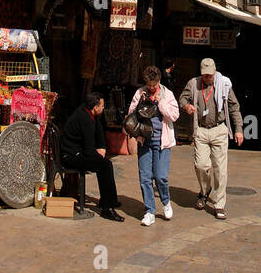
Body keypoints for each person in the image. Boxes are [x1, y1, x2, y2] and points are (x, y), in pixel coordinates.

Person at [179, 57, 244, 220]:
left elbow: (234, 107)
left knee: (220, 170)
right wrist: (186, 106)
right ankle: (205, 189)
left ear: (215, 72)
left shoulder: (224, 84)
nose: (208, 78)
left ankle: (219, 204)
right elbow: (182, 98)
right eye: (205, 75)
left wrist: (239, 129)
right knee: (201, 165)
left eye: (210, 75)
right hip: (201, 130)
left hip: (219, 129)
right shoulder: (194, 84)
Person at [128, 65, 180, 226]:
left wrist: (161, 102)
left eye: (154, 85)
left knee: (160, 176)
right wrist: (140, 104)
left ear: (159, 81)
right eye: (149, 85)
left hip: (162, 143)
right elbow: (131, 114)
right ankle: (149, 210)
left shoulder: (167, 94)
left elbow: (174, 115)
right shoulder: (140, 93)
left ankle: (165, 202)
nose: (151, 88)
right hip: (145, 141)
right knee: (145, 177)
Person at [61, 91, 124, 221]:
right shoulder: (86, 120)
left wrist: (102, 147)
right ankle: (107, 207)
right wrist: (99, 156)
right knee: (105, 165)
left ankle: (110, 199)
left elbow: (99, 128)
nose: (103, 108)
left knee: (104, 163)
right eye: (102, 106)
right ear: (95, 107)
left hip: (74, 152)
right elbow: (89, 150)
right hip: (71, 156)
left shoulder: (86, 111)